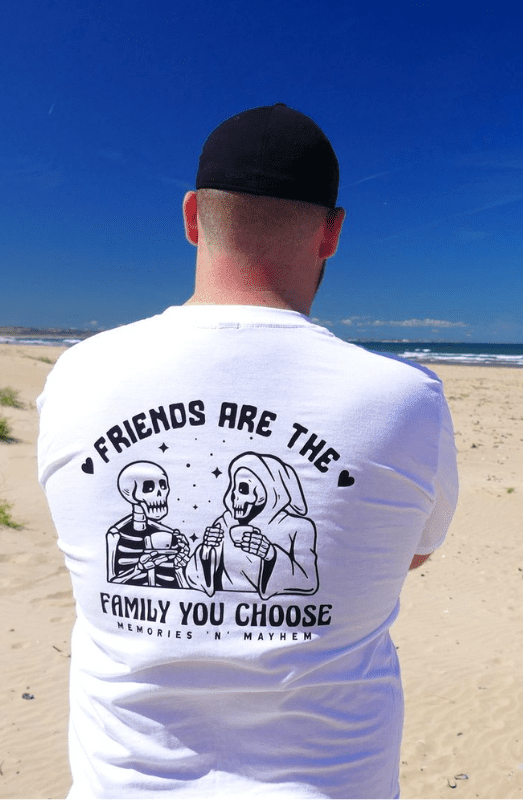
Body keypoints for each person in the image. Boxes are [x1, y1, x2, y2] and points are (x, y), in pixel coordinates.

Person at [38, 102, 458, 799]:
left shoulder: (78, 377)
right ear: (332, 232)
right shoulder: (405, 400)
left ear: (192, 218)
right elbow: (405, 554)